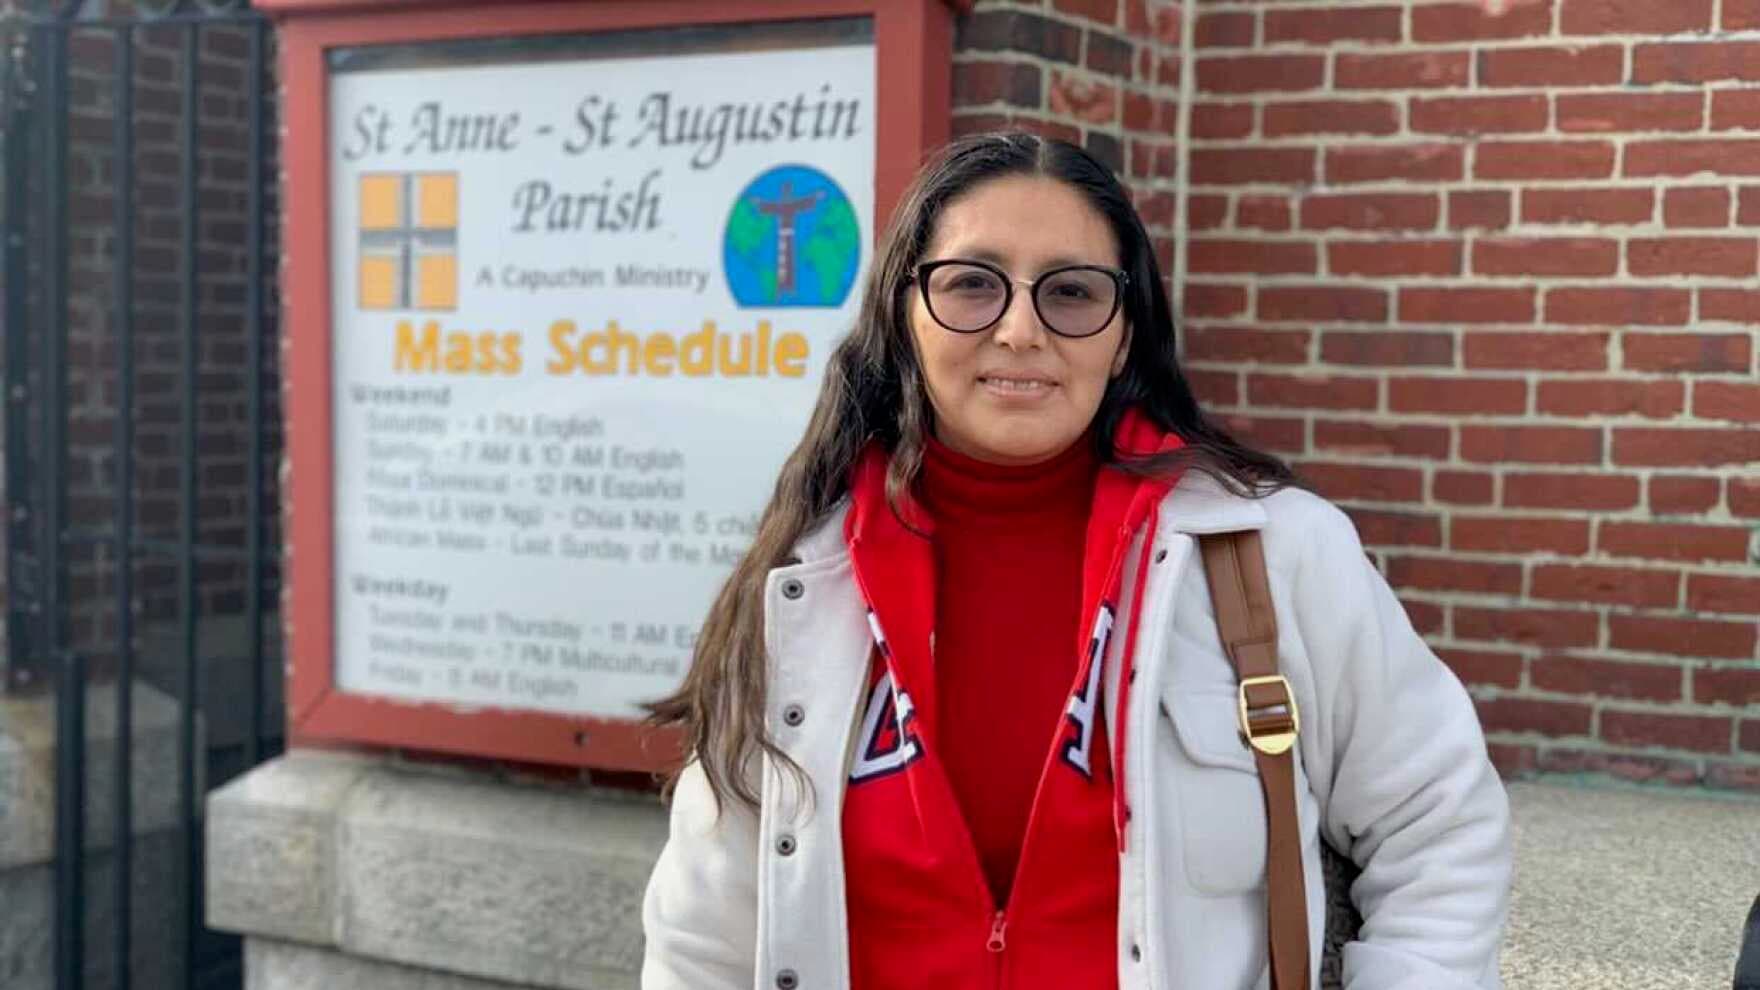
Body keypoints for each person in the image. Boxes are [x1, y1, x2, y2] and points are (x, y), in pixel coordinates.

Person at [640, 132, 1512, 990]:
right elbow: (704, 940)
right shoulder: (799, 587)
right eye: (974, 285)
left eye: (1072, 292)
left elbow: (1439, 825)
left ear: (1124, 332)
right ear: (904, 318)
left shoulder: (1274, 554)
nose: (1020, 330)